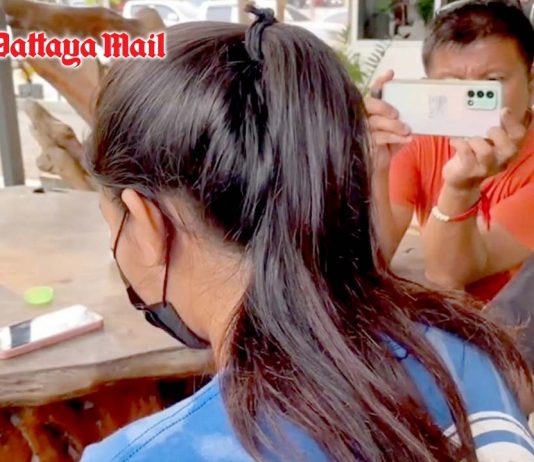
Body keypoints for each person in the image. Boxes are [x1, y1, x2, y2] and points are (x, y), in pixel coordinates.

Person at [81, 8, 534, 461]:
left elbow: (442, 271)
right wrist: (378, 169)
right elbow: (363, 260)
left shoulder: (138, 456)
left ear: (147, 224)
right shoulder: (472, 359)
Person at [368, 0, 534, 302]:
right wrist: (378, 167)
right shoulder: (417, 140)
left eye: (490, 84)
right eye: (452, 86)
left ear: (531, 82)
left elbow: (448, 275)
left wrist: (460, 188)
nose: (469, 101)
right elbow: (375, 257)